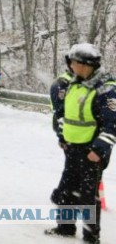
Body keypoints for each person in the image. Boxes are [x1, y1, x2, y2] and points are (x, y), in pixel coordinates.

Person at [45, 43, 116, 243]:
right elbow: (66, 115)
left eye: (74, 62)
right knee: (67, 190)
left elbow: (112, 123)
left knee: (87, 197)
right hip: (73, 148)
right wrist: (63, 138)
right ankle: (65, 228)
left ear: (85, 65)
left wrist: (98, 150)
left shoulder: (106, 89)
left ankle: (91, 237)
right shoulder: (75, 84)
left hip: (91, 150)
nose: (70, 66)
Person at [49, 52, 74, 139]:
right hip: (63, 120)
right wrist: (61, 120)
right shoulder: (63, 81)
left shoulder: (76, 80)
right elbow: (58, 103)